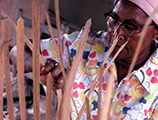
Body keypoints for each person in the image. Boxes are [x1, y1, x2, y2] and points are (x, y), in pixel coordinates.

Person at [9, 0, 158, 119]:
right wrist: (41, 66)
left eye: (130, 26)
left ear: (155, 32)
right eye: (113, 20)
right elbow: (18, 50)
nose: (117, 33)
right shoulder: (85, 47)